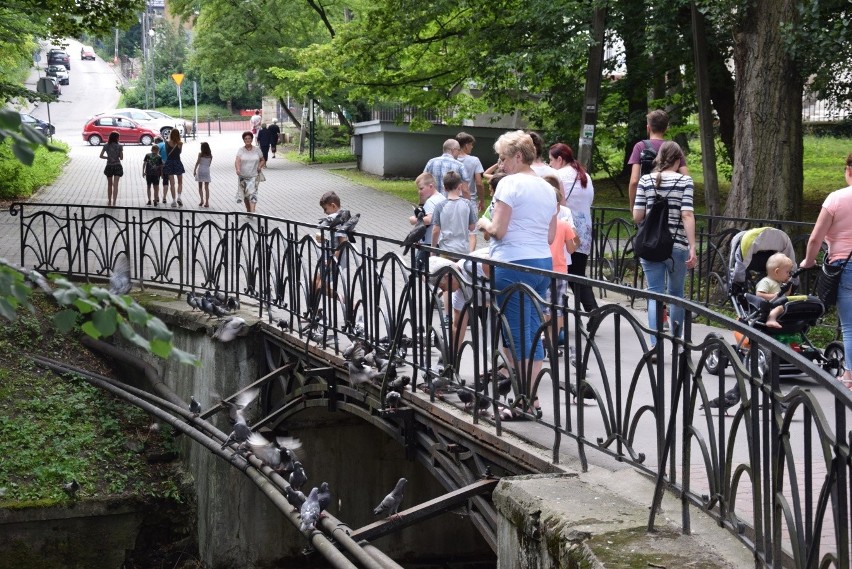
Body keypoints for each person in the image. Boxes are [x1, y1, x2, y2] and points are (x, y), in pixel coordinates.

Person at [476, 130, 557, 418]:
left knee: (518, 337)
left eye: (502, 158)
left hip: (512, 264)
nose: (499, 165)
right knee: (532, 331)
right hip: (542, 264)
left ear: (518, 156)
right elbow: (550, 235)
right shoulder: (548, 188)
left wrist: (483, 223)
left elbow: (498, 229)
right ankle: (529, 399)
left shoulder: (509, 184)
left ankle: (525, 402)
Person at [632, 141, 697, 354]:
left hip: (650, 246)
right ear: (678, 160)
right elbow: (687, 213)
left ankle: (655, 345)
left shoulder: (646, 180)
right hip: (676, 246)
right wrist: (692, 246)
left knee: (654, 294)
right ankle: (676, 343)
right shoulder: (685, 181)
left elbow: (637, 216)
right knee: (676, 294)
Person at [800, 152, 852, 389]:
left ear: (848, 171)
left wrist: (808, 262)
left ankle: (850, 377)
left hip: (844, 266)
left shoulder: (836, 199)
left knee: (850, 325)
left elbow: (815, 239)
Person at [549, 142, 598, 312]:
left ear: (560, 159)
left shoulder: (558, 175)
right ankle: (588, 311)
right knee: (577, 272)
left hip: (566, 228)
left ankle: (584, 311)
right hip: (584, 229)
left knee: (565, 272)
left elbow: (557, 201)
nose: (550, 164)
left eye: (551, 160)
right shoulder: (585, 175)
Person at [627, 109, 689, 209]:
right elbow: (686, 177)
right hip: (670, 204)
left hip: (646, 202)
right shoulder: (674, 148)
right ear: (666, 129)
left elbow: (634, 181)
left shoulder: (640, 146)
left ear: (648, 128)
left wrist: (632, 206)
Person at [431, 171, 476, 256]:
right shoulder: (467, 204)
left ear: (444, 188)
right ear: (460, 186)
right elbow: (472, 227)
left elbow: (435, 230)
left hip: (446, 250)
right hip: (463, 250)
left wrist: (433, 249)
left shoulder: (440, 206)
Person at [410, 172, 447, 270]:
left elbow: (430, 219)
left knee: (418, 269)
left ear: (430, 186)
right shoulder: (441, 197)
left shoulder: (431, 202)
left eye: (421, 188)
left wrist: (414, 220)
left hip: (429, 242)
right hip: (440, 241)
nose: (419, 191)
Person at [756, 253, 795, 329]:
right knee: (780, 307)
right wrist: (774, 296)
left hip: (779, 305)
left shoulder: (780, 283)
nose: (789, 275)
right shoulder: (766, 281)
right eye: (787, 272)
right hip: (768, 307)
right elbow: (759, 295)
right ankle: (771, 319)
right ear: (777, 271)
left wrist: (788, 285)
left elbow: (786, 295)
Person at [235, 131, 265, 213]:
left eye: (249, 138)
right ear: (243, 140)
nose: (247, 140)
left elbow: (262, 160)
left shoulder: (257, 150)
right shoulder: (241, 150)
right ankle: (248, 210)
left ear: (252, 139)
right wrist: (238, 169)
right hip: (243, 176)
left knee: (253, 194)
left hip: (254, 176)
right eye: (246, 139)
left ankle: (252, 211)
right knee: (246, 196)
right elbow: (237, 161)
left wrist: (259, 166)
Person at [456, 132, 485, 215]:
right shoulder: (474, 160)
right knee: (471, 227)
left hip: (453, 199)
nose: (472, 147)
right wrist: (482, 201)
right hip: (470, 200)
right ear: (466, 145)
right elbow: (479, 183)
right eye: (471, 144)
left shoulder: (452, 160)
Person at [99, 131, 123, 207]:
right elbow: (121, 158)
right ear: (116, 138)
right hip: (117, 166)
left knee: (109, 185)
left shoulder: (106, 145)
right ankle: (114, 202)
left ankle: (109, 201)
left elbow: (101, 156)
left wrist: (108, 157)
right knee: (115, 185)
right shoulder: (120, 146)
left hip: (109, 166)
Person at [163, 128, 186, 207]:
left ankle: (173, 201)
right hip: (177, 162)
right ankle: (179, 197)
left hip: (169, 163)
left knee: (172, 183)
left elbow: (166, 153)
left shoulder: (167, 143)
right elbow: (180, 152)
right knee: (180, 182)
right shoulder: (180, 143)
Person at [193, 142, 213, 208]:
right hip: (207, 170)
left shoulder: (200, 154)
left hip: (201, 170)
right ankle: (207, 202)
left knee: (200, 187)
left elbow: (197, 162)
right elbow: (209, 164)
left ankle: (201, 200)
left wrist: (194, 170)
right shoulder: (210, 156)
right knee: (207, 187)